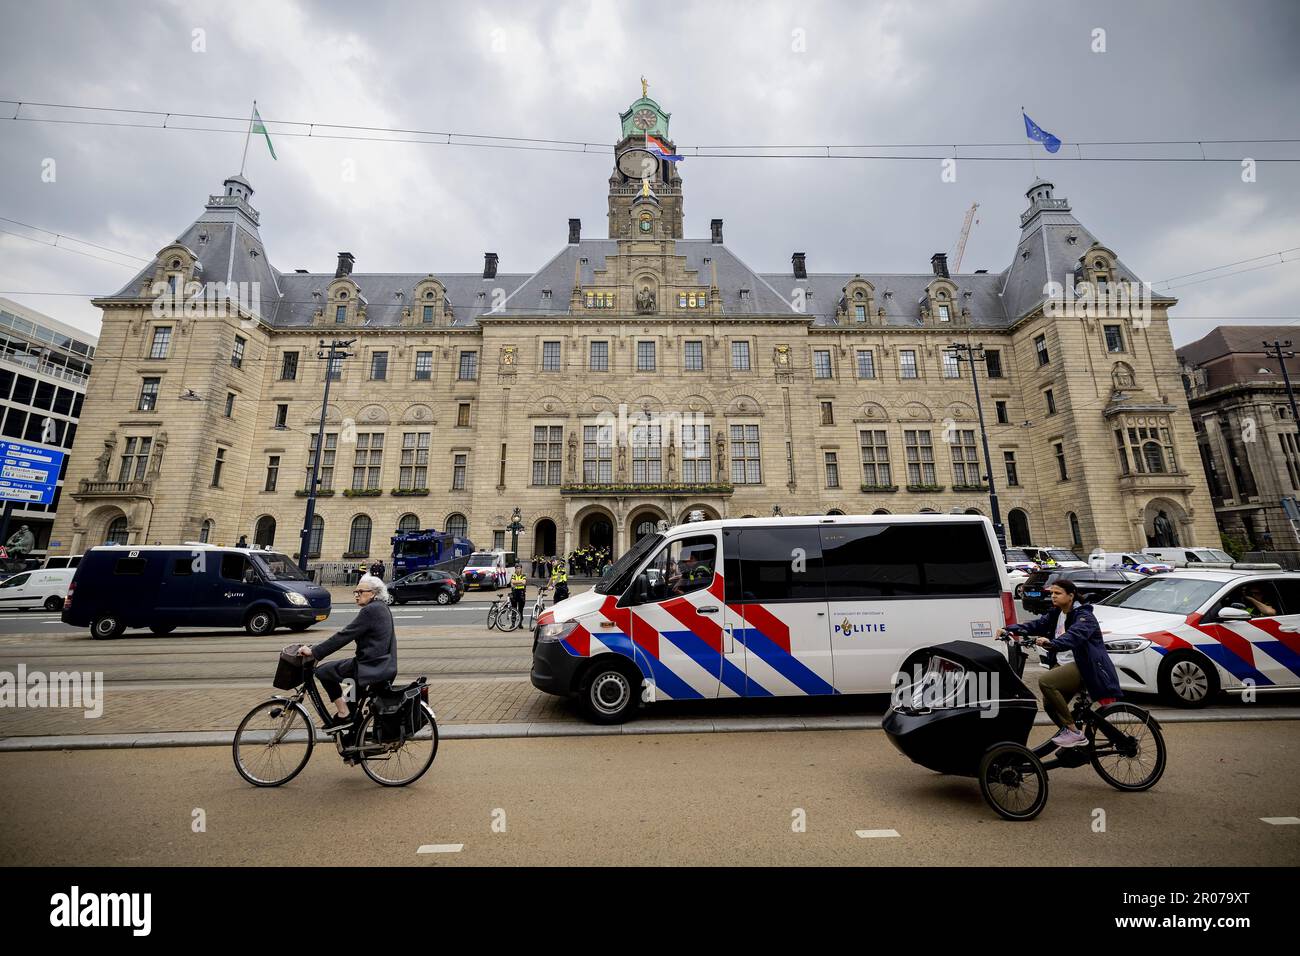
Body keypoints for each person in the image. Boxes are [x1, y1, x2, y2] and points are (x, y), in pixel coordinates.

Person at [998, 578, 1121, 749]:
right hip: (1064, 663)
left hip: (1084, 666)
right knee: (1049, 704)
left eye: (1058, 593)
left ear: (1071, 596)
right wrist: (1009, 629)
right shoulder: (1057, 613)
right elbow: (1037, 624)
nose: (1053, 597)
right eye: (1052, 593)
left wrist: (1052, 643)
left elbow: (1075, 635)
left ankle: (1074, 733)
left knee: (1046, 682)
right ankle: (1072, 735)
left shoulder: (1084, 616)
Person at [296, 574, 396, 740]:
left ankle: (344, 714)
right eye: (355, 592)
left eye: (360, 592)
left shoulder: (370, 610)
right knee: (350, 691)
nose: (356, 595)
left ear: (373, 593)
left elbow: (344, 635)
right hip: (381, 665)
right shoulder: (382, 607)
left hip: (369, 667)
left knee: (323, 672)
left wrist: (315, 652)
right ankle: (354, 733)